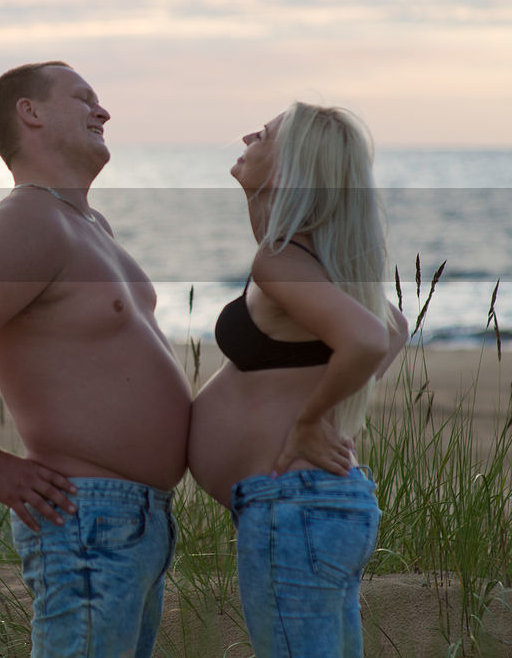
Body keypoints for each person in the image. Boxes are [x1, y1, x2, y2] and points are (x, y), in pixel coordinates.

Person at [0, 61, 192, 656]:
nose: (102, 111)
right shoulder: (29, 219)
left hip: (137, 523)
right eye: (83, 98)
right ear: (30, 112)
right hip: (87, 520)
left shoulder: (90, 225)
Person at [187, 102, 408, 658]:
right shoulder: (310, 256)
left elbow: (369, 338)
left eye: (261, 134)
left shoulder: (282, 259)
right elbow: (395, 326)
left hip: (297, 509)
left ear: (288, 170)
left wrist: (311, 420)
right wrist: (324, 400)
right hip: (312, 506)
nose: (245, 135)